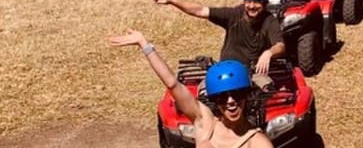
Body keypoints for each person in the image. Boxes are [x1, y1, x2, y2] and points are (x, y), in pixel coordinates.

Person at [109, 31, 274, 148]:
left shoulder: (257, 142)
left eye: (237, 95)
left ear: (246, 95)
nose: (230, 102)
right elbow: (172, 84)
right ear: (214, 100)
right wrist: (144, 44)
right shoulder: (205, 122)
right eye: (222, 97)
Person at [153, 0, 285, 75]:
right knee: (204, 92)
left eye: (256, 2)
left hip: (254, 72)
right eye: (248, 1)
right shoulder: (233, 15)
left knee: (265, 91)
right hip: (226, 70)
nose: (251, 6)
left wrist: (269, 53)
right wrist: (171, 1)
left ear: (264, 3)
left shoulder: (270, 21)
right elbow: (200, 11)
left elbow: (280, 45)